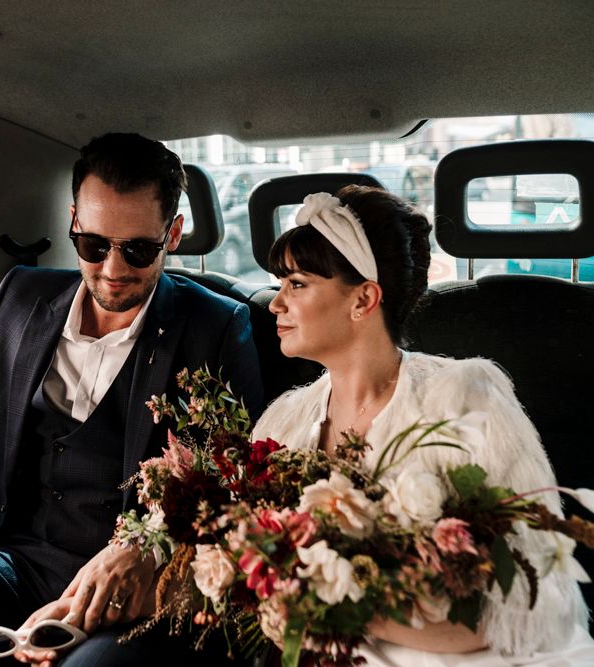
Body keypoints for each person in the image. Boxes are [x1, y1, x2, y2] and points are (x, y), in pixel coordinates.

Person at [0, 132, 263, 664]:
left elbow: (238, 479)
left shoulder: (216, 326)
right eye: (94, 245)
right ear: (74, 222)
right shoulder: (21, 297)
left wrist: (146, 550)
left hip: (134, 589)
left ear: (173, 233)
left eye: (139, 249)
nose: (113, 269)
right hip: (13, 560)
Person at [251, 186, 594, 665]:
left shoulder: (466, 399)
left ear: (364, 298)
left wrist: (346, 613)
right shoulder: (282, 424)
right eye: (279, 284)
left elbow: (532, 600)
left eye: (298, 284)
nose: (275, 303)